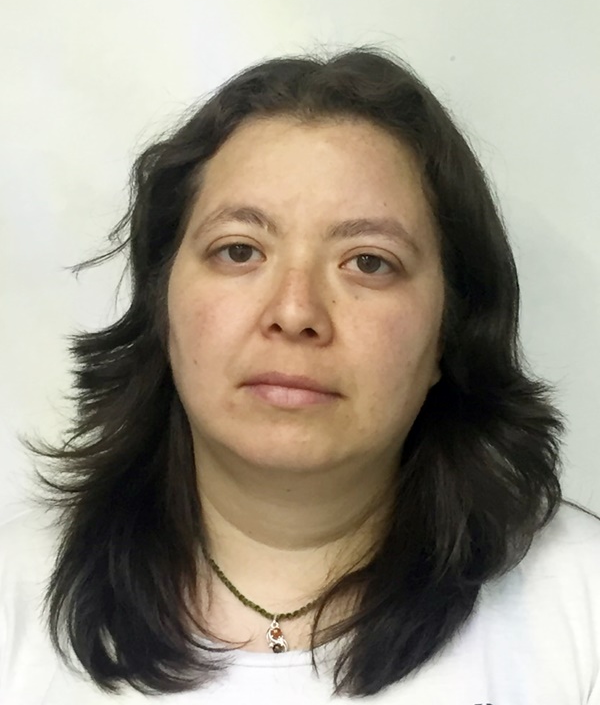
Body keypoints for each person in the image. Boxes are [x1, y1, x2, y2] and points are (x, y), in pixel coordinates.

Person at [1, 46, 599, 704]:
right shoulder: (15, 591)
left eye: (369, 262)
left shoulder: (580, 604)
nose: (294, 312)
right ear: (162, 306)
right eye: (239, 250)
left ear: (448, 332)